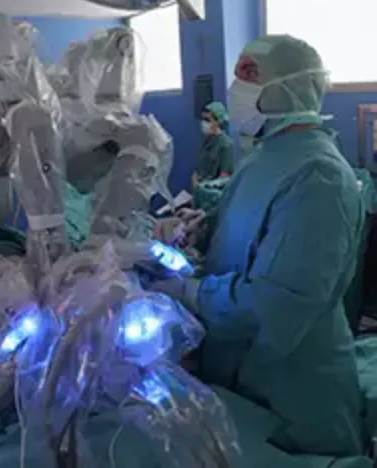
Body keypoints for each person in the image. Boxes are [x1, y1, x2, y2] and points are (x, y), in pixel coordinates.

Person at [154, 35, 365, 457]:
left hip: (295, 393)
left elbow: (278, 304)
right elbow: (244, 231)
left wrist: (190, 291)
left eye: (249, 75)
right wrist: (199, 230)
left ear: (290, 87)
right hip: (237, 377)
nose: (236, 89)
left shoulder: (320, 177)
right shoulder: (261, 158)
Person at [192, 101, 234, 187]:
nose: (204, 123)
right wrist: (195, 179)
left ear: (218, 122)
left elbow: (224, 178)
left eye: (207, 120)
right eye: (203, 119)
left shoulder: (226, 145)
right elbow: (200, 167)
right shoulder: (208, 140)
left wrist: (206, 186)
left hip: (212, 191)